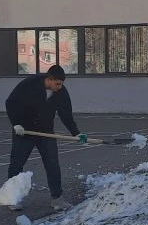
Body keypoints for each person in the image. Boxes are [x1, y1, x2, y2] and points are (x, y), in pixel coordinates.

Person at [5, 64, 87, 210]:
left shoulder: (61, 93)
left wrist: (76, 133)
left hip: (45, 132)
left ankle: (57, 199)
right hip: (24, 131)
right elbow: (11, 103)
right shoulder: (29, 84)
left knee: (52, 164)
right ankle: (12, 199)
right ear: (49, 80)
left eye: (61, 84)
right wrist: (16, 123)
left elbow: (66, 115)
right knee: (16, 164)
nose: (59, 87)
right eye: (57, 84)